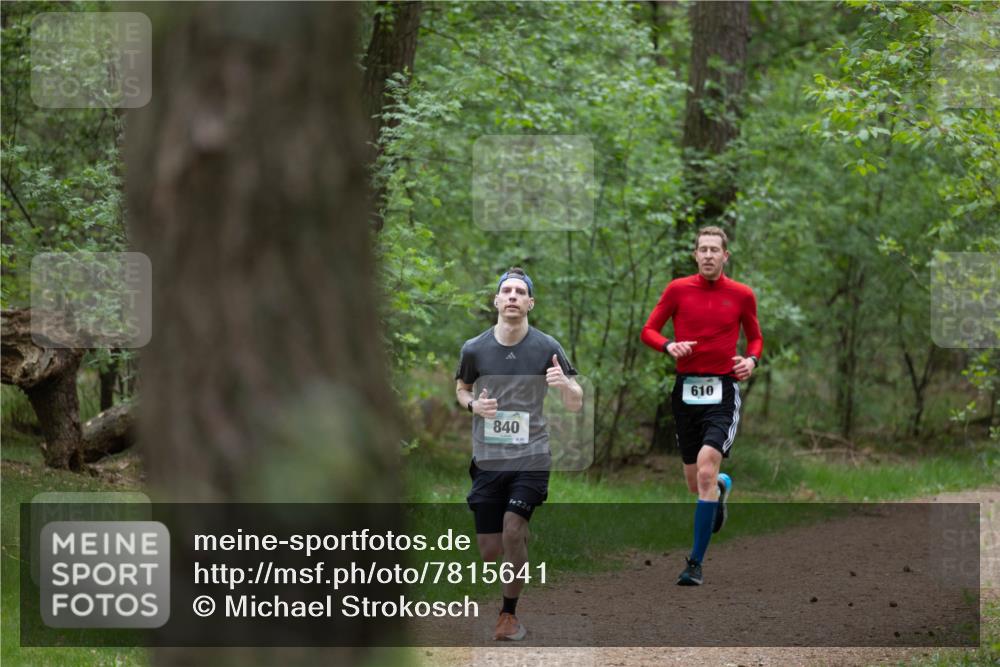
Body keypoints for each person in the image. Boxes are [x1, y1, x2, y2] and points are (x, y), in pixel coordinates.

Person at [455, 267, 583, 640]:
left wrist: (565, 387)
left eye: (519, 292)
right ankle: (518, 541)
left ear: (530, 303)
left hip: (532, 455)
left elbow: (575, 404)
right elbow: (462, 388)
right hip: (488, 459)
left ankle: (508, 615)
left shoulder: (547, 347)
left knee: (512, 530)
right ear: (496, 301)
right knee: (490, 550)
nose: (512, 296)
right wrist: (472, 407)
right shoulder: (474, 348)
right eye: (506, 291)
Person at [640, 226, 763, 586]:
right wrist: (668, 346)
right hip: (686, 392)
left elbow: (754, 337)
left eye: (715, 250)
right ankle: (721, 487)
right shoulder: (678, 289)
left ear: (726, 256)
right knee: (696, 485)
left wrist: (751, 361)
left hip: (723, 391)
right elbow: (649, 330)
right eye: (702, 249)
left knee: (706, 472)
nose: (708, 255)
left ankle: (694, 563)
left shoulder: (742, 295)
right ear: (695, 255)